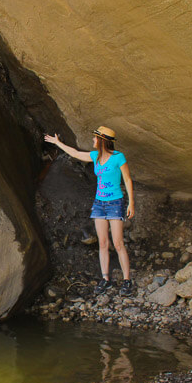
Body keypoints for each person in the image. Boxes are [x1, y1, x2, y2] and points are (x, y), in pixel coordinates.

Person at [44, 127, 135, 296]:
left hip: (115, 202)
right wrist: (58, 143)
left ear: (102, 140)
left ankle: (127, 280)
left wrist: (131, 204)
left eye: (95, 138)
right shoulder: (95, 157)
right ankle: (105, 279)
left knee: (118, 243)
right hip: (99, 203)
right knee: (102, 242)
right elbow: (76, 153)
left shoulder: (118, 157)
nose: (93, 141)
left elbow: (127, 179)